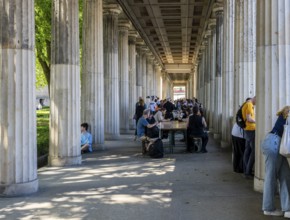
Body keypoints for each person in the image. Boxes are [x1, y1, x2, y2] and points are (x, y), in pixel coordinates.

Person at [261, 106, 290, 217]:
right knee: (271, 177)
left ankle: (287, 209)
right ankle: (268, 208)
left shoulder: (285, 115)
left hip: (274, 143)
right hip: (274, 144)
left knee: (285, 175)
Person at [242, 96, 256, 178]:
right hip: (251, 129)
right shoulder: (250, 104)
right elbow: (249, 118)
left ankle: (246, 170)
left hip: (247, 129)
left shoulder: (246, 104)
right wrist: (257, 120)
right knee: (254, 151)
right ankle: (248, 172)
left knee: (247, 150)